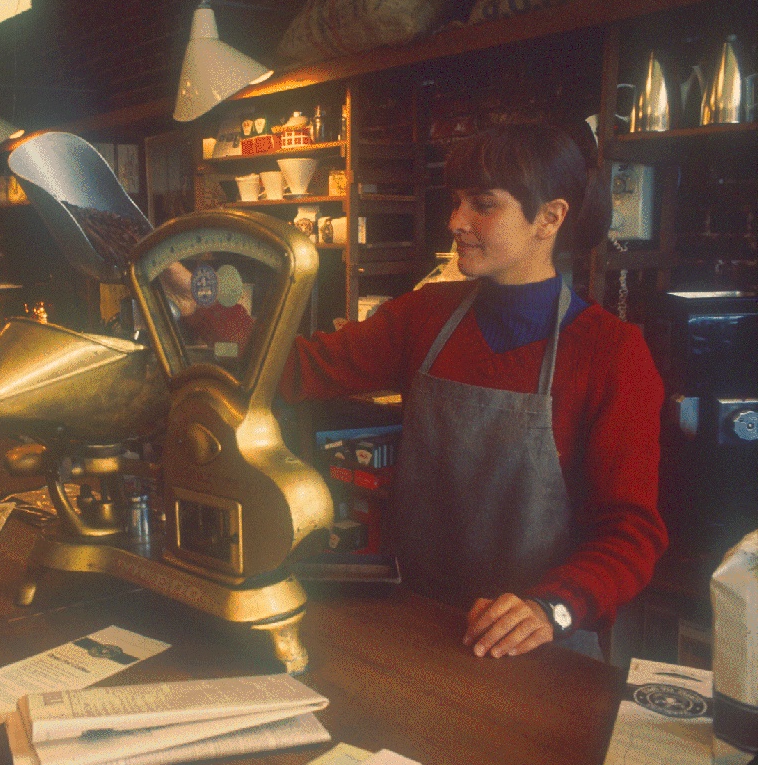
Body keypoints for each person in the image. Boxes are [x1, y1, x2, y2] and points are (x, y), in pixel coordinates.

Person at [280, 122, 667, 660]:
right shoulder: (423, 315)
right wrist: (190, 304)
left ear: (550, 218)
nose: (455, 222)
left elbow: (631, 534)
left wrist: (550, 607)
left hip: (540, 648)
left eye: (483, 205)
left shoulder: (612, 353)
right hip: (417, 619)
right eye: (457, 201)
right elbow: (298, 368)